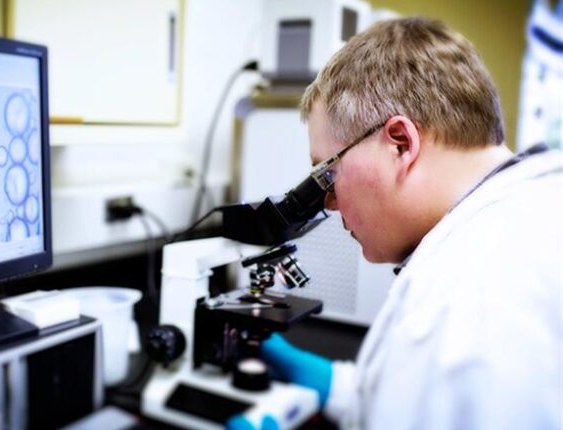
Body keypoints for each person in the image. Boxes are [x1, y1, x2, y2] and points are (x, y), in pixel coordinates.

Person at [228, 16, 562, 430]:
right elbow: (416, 400)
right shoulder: (523, 220)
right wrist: (336, 387)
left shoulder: (472, 299)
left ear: (401, 144)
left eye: (326, 175)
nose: (328, 204)